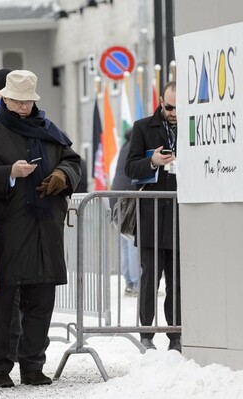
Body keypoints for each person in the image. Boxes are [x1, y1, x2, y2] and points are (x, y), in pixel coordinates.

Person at [0, 70, 81, 388]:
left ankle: (33, 366)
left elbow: (73, 159)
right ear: (5, 98)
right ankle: (0, 368)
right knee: (2, 303)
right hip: (7, 229)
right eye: (17, 101)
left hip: (45, 228)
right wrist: (8, 173)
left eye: (28, 101)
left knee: (41, 301)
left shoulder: (47, 128)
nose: (23, 107)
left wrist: (64, 176)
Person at [125, 81, 180, 352]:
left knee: (177, 279)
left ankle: (176, 333)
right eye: (169, 107)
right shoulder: (143, 127)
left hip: (180, 214)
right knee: (150, 277)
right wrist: (152, 162)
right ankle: (146, 332)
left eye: (179, 109)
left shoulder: (195, 124)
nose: (173, 113)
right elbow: (130, 168)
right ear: (160, 101)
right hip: (151, 215)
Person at [111, 128, 139, 296]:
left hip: (117, 199)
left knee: (126, 241)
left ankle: (129, 281)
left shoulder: (125, 146)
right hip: (129, 200)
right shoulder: (135, 147)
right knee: (134, 241)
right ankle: (136, 283)